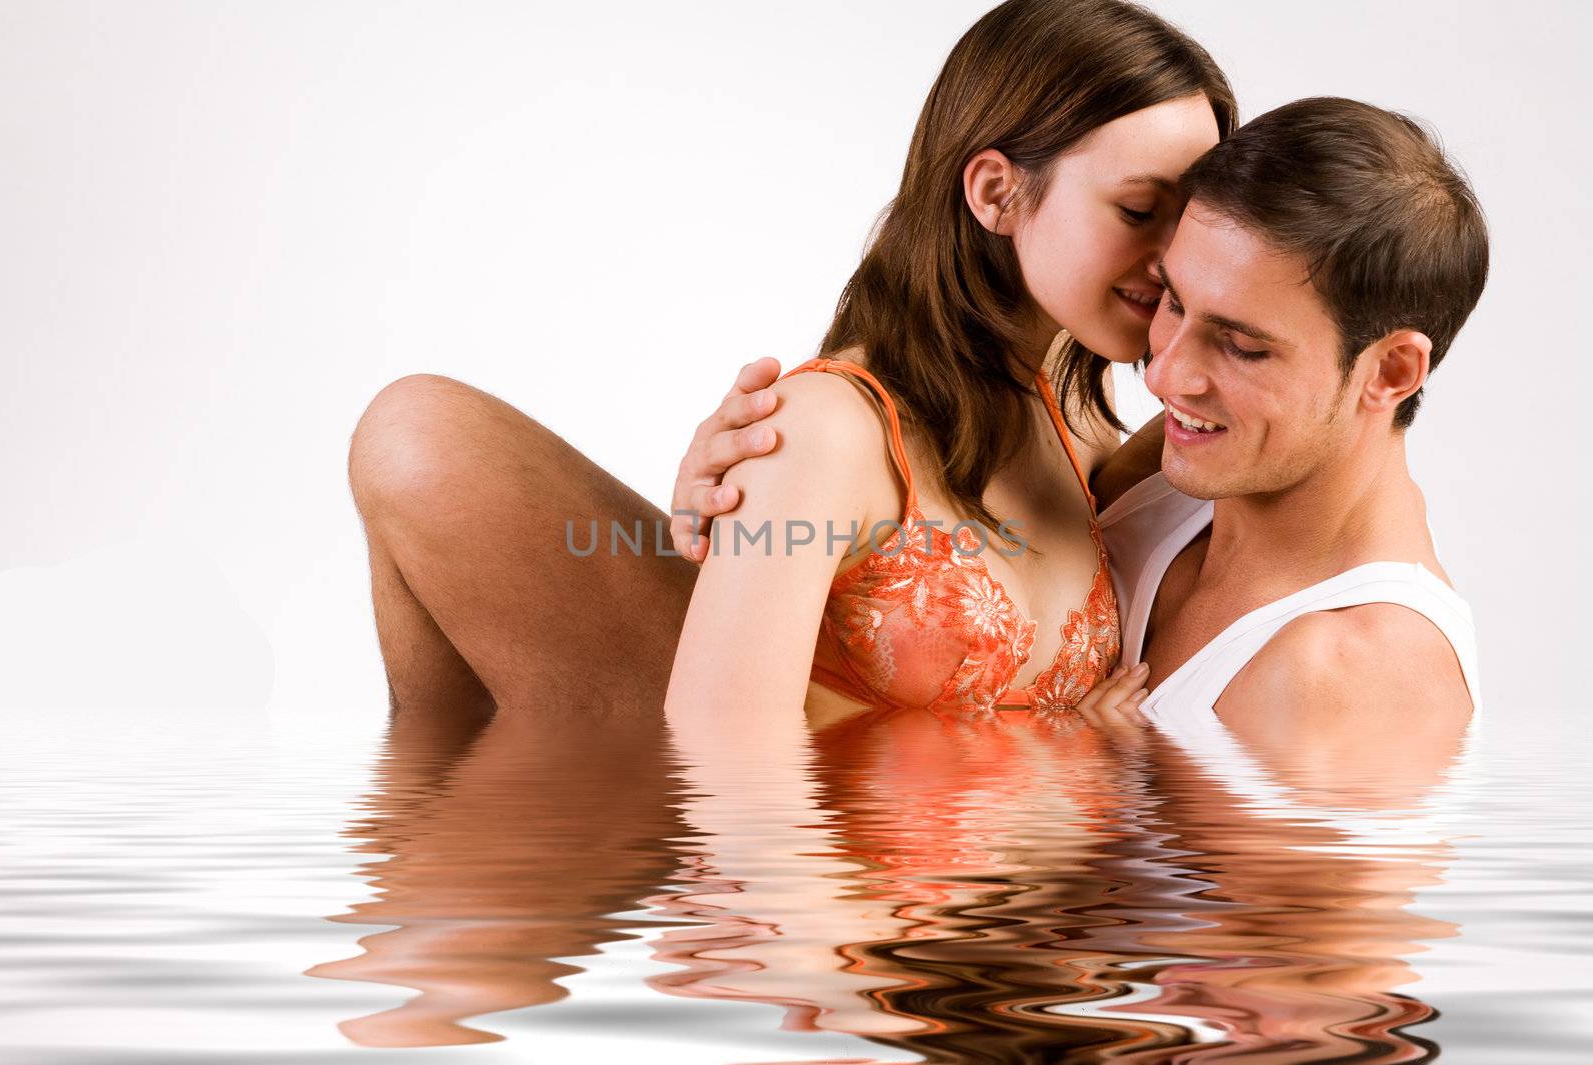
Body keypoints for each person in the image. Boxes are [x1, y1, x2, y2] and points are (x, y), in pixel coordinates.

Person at [345, 0, 1235, 731]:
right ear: (996, 192)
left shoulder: (1090, 433)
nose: (1174, 257)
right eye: (1139, 209)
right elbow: (733, 775)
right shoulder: (824, 432)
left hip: (1006, 934)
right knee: (418, 430)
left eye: (1192, 219)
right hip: (826, 922)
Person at [682, 95, 1487, 787]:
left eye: (1242, 346)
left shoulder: (1361, 673)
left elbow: (1215, 962)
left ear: (1391, 370)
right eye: (1172, 300)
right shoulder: (1168, 470)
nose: (1166, 376)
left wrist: (1094, 766)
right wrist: (750, 497)